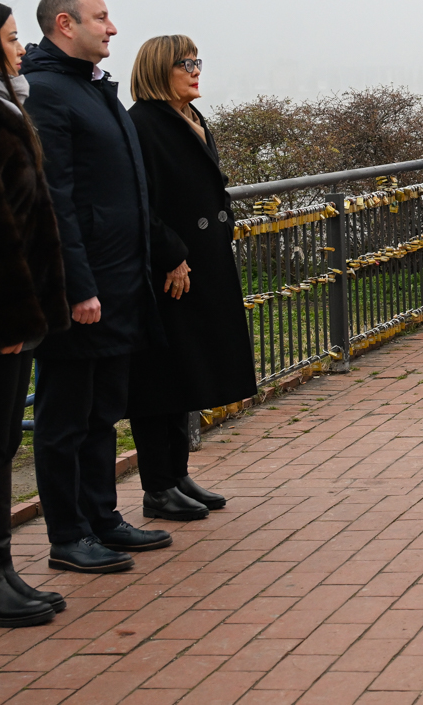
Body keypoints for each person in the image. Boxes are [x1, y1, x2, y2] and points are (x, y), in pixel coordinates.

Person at [21, 0, 173, 572]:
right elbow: (55, 201)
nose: (112, 28)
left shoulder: (91, 89)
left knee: (103, 408)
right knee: (64, 417)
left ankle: (102, 516)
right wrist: (77, 285)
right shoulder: (49, 95)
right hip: (82, 289)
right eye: (102, 18)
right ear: (65, 24)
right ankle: (68, 534)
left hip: (119, 283)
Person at [125, 36, 259, 521]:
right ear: (162, 69)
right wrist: (172, 255)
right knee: (161, 378)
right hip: (173, 272)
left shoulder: (193, 118)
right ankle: (157, 487)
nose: (196, 70)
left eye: (198, 61)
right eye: (187, 63)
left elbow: (208, 184)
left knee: (188, 371)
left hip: (205, 261)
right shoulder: (142, 123)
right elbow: (141, 202)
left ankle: (177, 475)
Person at [0, 0, 67, 626]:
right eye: (11, 39)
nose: (21, 49)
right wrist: (8, 321)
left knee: (2, 443)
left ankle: (1, 565)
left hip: (16, 313)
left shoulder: (5, 107)